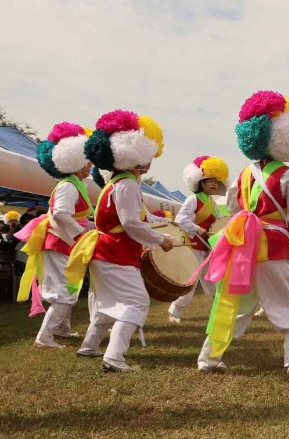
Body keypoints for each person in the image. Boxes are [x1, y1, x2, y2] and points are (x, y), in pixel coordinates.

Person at [196, 90, 289, 376]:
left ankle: (208, 358)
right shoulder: (288, 174)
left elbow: (231, 206)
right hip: (274, 245)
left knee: (235, 304)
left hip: (243, 246)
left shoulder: (243, 174)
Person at [70, 110, 175, 372]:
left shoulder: (117, 182)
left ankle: (89, 346)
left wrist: (160, 224)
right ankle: (114, 357)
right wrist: (160, 239)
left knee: (107, 302)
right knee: (136, 302)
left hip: (105, 252)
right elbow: (130, 223)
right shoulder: (127, 184)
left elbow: (137, 217)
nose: (150, 161)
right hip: (116, 253)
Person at [15, 123, 93, 348]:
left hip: (62, 243)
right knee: (64, 292)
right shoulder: (68, 185)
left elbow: (74, 217)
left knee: (68, 288)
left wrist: (94, 227)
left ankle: (62, 329)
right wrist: (81, 235)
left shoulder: (73, 184)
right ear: (77, 161)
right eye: (87, 161)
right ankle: (44, 337)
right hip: (60, 242)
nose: (90, 166)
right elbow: (60, 214)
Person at [168, 156, 229, 323]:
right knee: (190, 283)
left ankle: (220, 311)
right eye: (210, 181)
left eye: (216, 181)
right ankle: (175, 313)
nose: (214, 184)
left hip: (207, 250)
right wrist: (197, 228)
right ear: (201, 182)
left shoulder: (214, 205)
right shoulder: (193, 199)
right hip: (193, 248)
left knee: (212, 281)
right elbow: (181, 219)